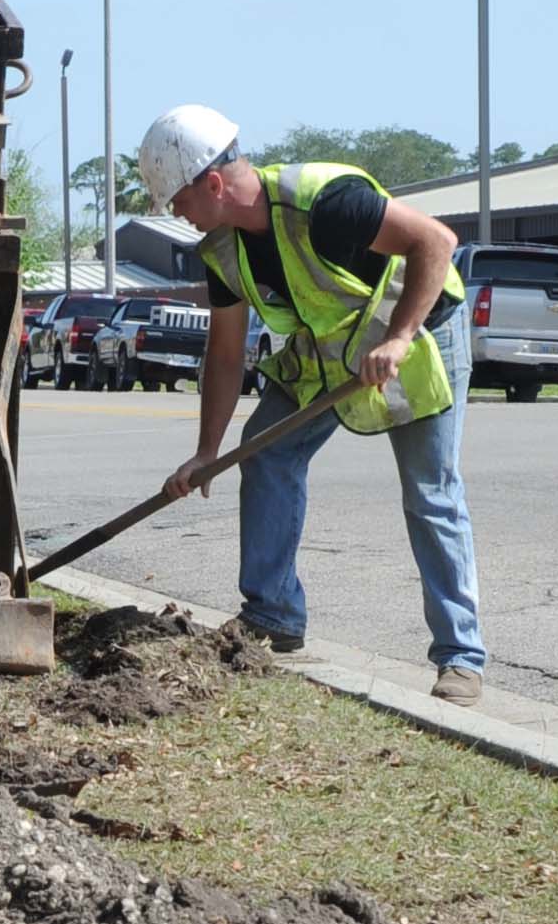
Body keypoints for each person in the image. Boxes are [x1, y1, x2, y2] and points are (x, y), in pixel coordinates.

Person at [136, 103, 486, 703]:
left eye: (178, 200)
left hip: (419, 335)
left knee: (430, 493)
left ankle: (460, 656)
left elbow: (436, 241)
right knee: (265, 454)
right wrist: (205, 453)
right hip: (332, 348)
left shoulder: (324, 199)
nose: (176, 214)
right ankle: (272, 616)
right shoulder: (224, 249)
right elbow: (223, 355)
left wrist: (399, 337)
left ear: (214, 183)